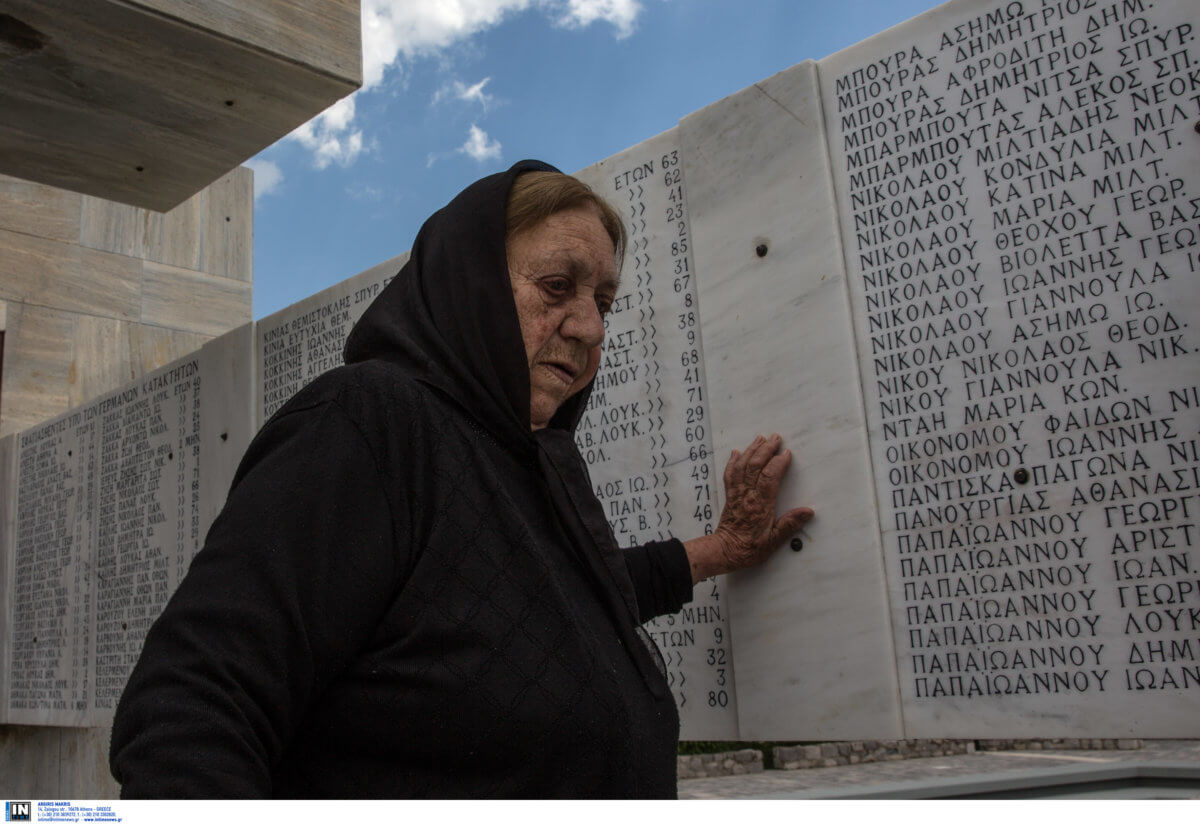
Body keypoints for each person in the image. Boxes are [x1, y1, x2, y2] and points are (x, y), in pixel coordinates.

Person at [109, 160, 813, 798]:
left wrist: (721, 550)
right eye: (558, 287)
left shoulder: (520, 458)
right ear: (466, 280)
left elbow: (561, 601)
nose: (592, 328)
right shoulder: (370, 421)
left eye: (605, 300)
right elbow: (192, 708)